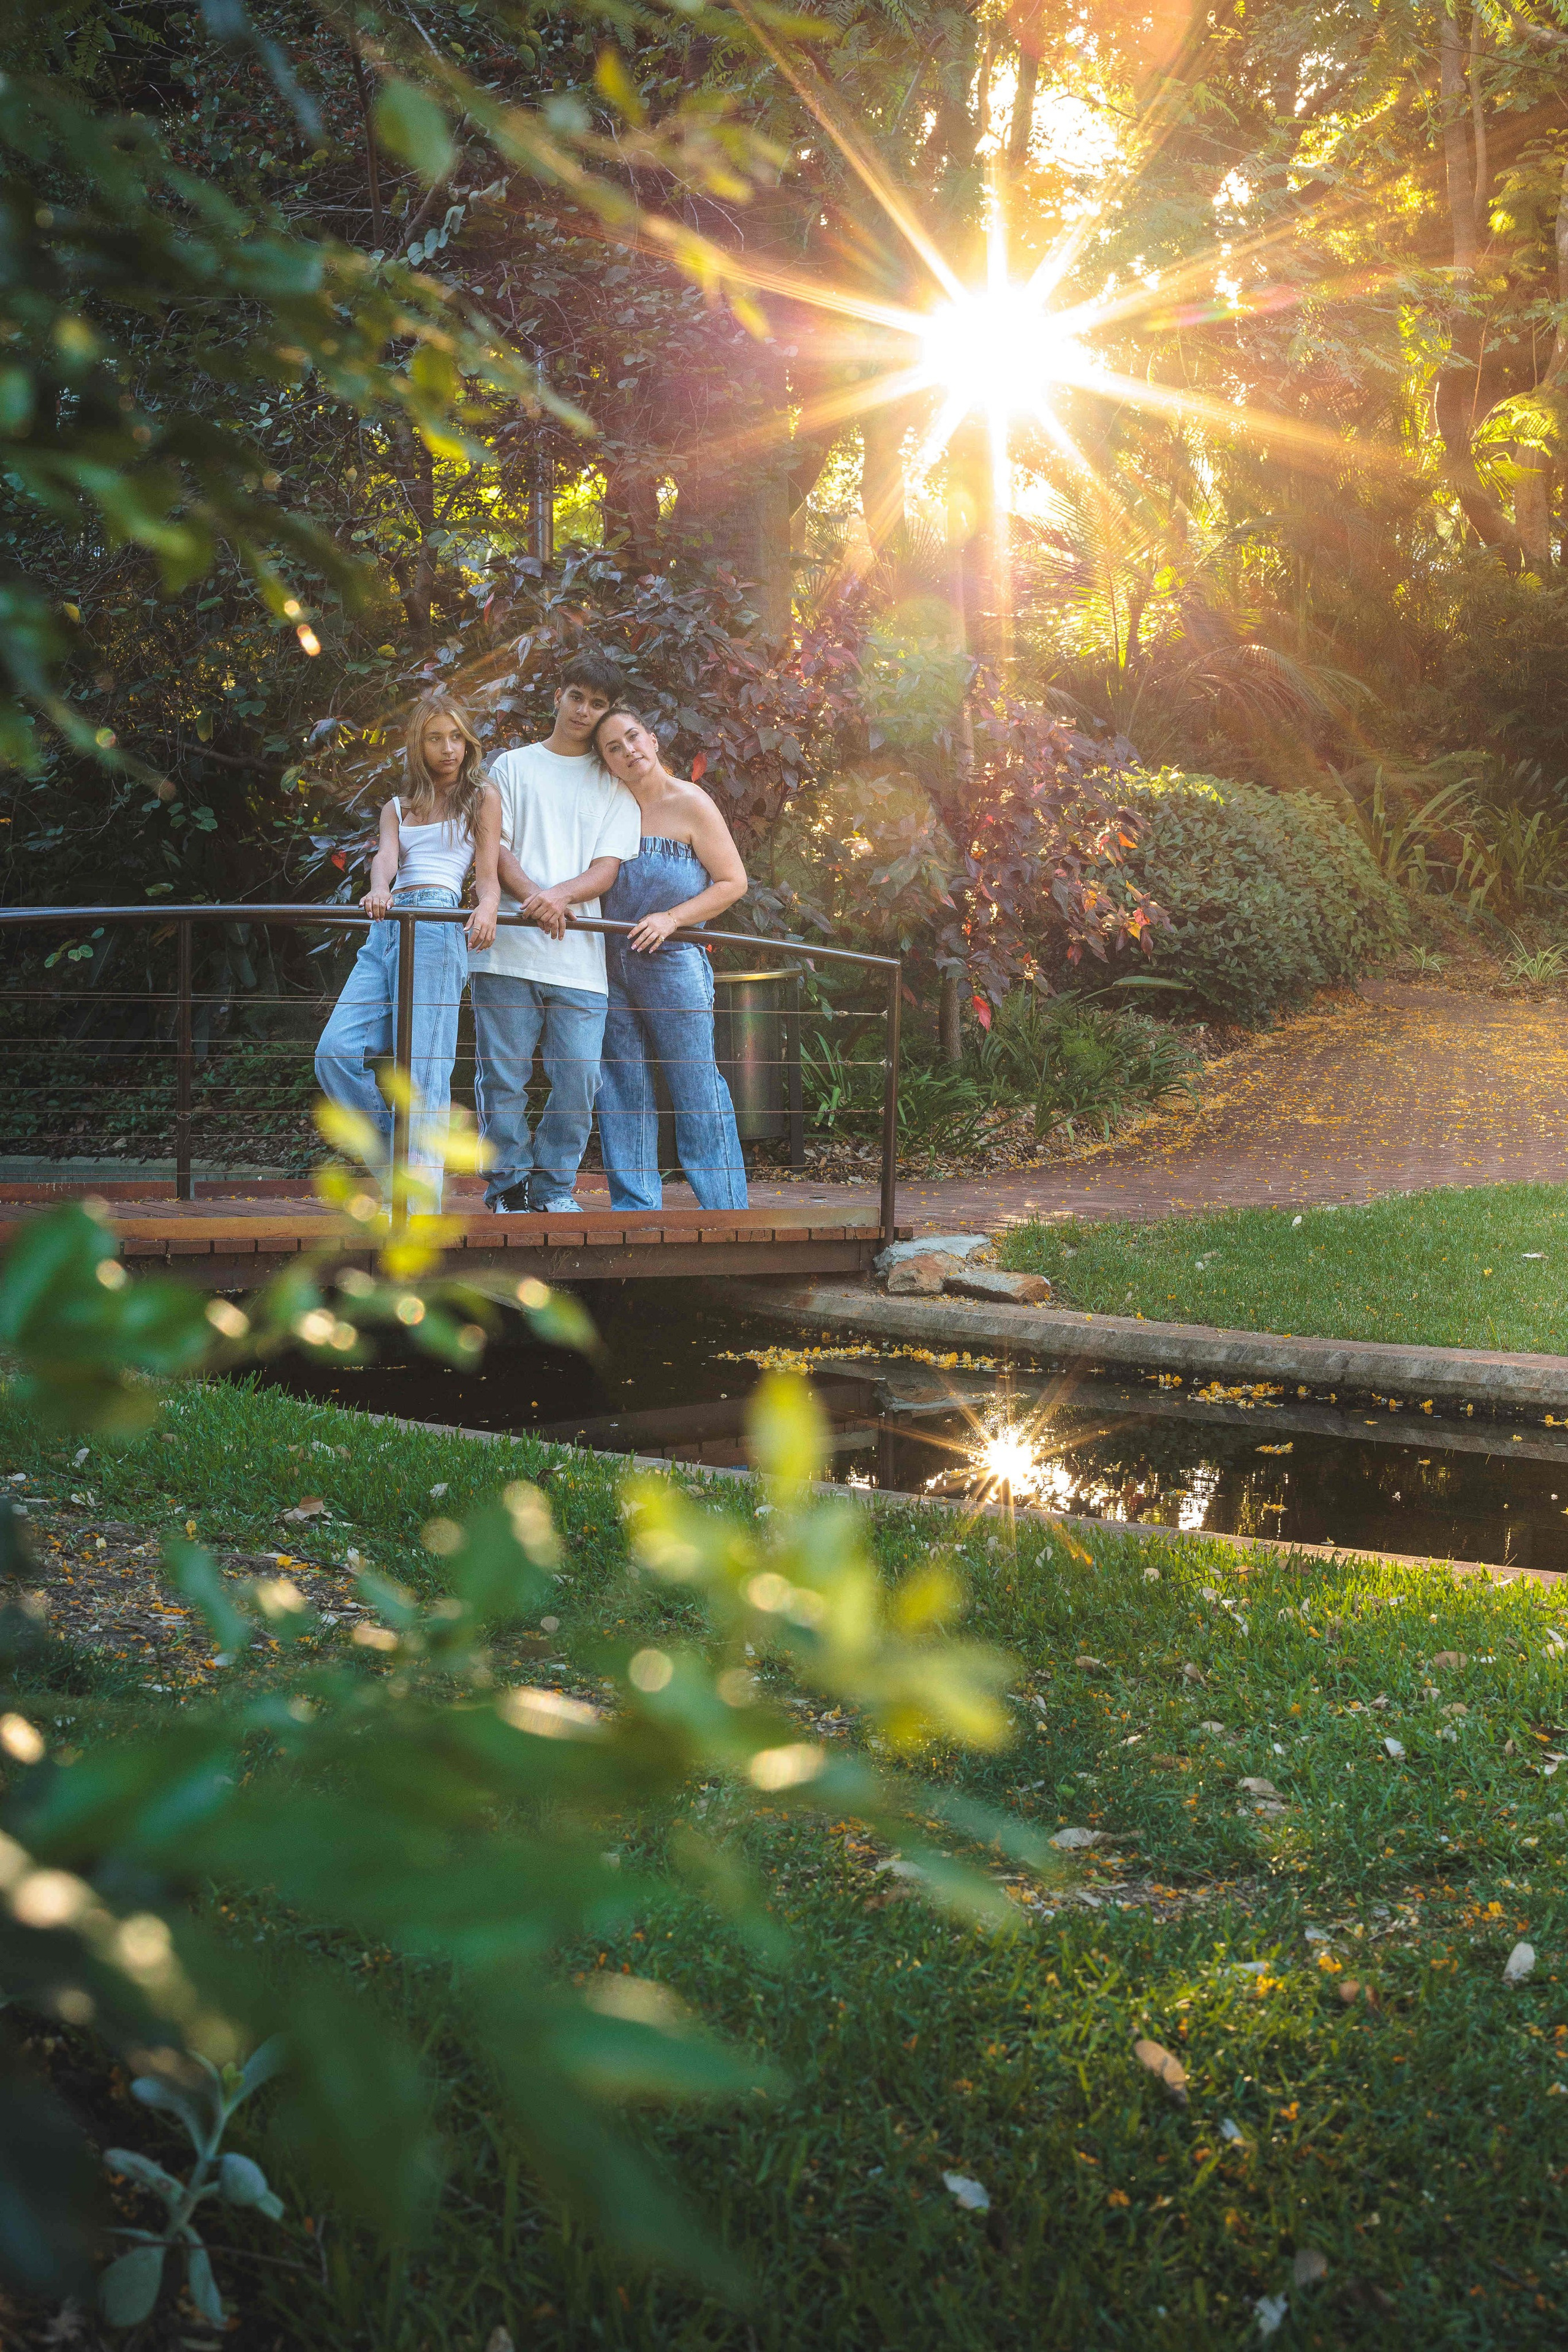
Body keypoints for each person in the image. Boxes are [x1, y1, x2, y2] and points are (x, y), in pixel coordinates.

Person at [467, 649, 641, 1212]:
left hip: (579, 959)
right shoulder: (512, 767)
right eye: (576, 697)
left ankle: (553, 1189)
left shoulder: (613, 783)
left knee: (579, 1082)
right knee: (504, 1082)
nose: (583, 710)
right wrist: (537, 901)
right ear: (558, 695)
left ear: (606, 711)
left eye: (597, 704)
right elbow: (497, 849)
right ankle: (506, 1189)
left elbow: (606, 868)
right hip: (508, 955)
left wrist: (556, 899)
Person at [315, 690, 499, 1207]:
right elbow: (386, 860)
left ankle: (419, 1207)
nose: (448, 748)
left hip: (439, 927)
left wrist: (485, 909)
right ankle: (397, 1158)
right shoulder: (397, 806)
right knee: (334, 1052)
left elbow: (488, 877)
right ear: (418, 746)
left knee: (423, 1072)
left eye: (456, 737)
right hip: (388, 928)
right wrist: (379, 890)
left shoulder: (481, 797)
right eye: (435, 738)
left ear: (467, 743)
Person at [589, 705, 749, 1211]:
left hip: (673, 963)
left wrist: (673, 918)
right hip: (608, 964)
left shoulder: (691, 803)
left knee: (695, 1082)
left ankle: (726, 1210)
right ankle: (635, 1208)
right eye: (614, 748)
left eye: (633, 738)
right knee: (621, 1086)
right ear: (607, 763)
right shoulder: (606, 806)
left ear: (653, 741)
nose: (628, 751)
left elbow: (733, 883)